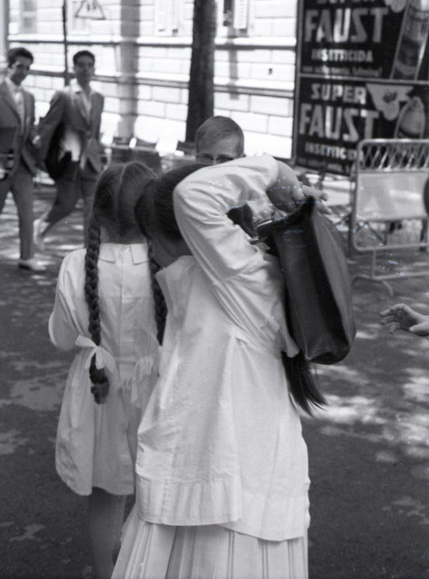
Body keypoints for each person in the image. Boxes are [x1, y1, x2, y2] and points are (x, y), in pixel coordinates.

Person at [112, 155, 325, 579]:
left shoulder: (241, 277)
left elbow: (193, 195)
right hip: (213, 484)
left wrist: (274, 172)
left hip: (234, 501)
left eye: (152, 237)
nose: (150, 250)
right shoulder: (222, 282)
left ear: (188, 233)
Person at [48, 161, 160, 579]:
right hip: (157, 393)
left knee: (104, 496)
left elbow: (62, 338)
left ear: (99, 213)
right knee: (157, 498)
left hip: (97, 395)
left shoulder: (77, 264)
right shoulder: (168, 265)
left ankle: (105, 573)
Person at [35, 50, 105, 246]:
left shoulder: (98, 97)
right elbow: (48, 126)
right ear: (74, 68)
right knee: (66, 204)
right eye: (81, 65)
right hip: (69, 159)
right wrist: (40, 157)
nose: (85, 69)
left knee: (92, 207)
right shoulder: (63, 95)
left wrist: (99, 152)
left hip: (91, 161)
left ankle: (88, 251)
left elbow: (95, 131)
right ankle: (41, 225)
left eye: (89, 65)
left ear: (94, 69)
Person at [0, 47, 44, 271]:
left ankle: (27, 257)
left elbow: (30, 125)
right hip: (1, 162)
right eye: (19, 67)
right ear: (8, 66)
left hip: (23, 163)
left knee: (27, 212)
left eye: (27, 68)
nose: (23, 72)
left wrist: (35, 137)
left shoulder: (29, 97)